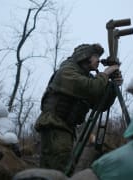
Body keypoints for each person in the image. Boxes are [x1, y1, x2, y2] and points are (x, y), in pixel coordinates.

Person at [34, 43, 122, 173]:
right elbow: (91, 88)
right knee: (56, 168)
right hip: (54, 125)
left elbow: (101, 104)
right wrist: (106, 73)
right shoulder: (67, 71)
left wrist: (113, 87)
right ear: (85, 56)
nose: (98, 60)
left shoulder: (86, 77)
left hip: (66, 128)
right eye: (96, 56)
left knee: (64, 167)